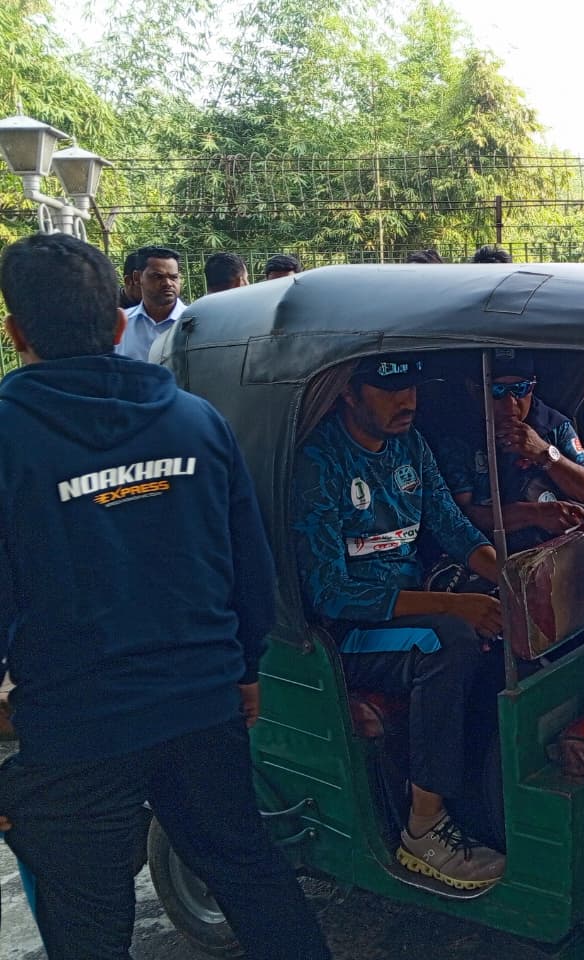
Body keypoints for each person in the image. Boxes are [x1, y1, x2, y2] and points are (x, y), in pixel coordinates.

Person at [0, 233, 331, 960]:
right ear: (119, 323)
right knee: (250, 873)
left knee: (88, 927)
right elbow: (252, 565)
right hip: (199, 704)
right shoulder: (194, 422)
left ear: (15, 331)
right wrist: (243, 668)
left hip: (77, 729)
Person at [292, 354, 508, 891]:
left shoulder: (410, 444)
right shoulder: (320, 463)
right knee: (450, 639)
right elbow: (331, 591)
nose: (407, 400)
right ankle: (423, 828)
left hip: (410, 607)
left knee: (503, 632)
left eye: (412, 387)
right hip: (345, 630)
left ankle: (485, 802)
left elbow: (450, 523)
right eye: (389, 390)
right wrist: (457, 608)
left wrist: (510, 578)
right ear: (348, 391)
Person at [436, 350, 584, 551]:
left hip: (562, 548)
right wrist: (534, 514)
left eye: (520, 389)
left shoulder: (552, 424)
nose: (510, 403)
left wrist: (545, 453)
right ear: (474, 390)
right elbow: (461, 517)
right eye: (497, 390)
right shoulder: (458, 438)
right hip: (493, 555)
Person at [116, 244, 185, 361]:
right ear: (137, 278)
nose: (168, 283)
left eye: (174, 277)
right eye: (158, 277)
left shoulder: (194, 322)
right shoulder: (121, 324)